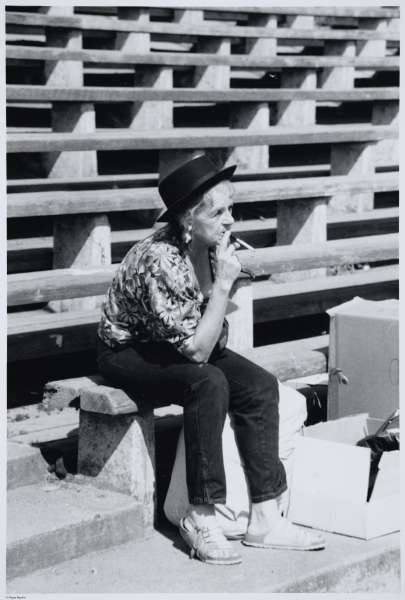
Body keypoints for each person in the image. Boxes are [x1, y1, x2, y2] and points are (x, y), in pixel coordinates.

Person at [97, 155, 325, 566]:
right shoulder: (161, 260)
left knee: (259, 386)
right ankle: (200, 517)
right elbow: (200, 352)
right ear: (188, 219)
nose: (230, 221)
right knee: (208, 383)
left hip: (175, 343)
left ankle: (265, 517)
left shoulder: (204, 247)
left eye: (230, 209)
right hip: (127, 350)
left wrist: (220, 279)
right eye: (217, 212)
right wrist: (222, 284)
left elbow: (211, 338)